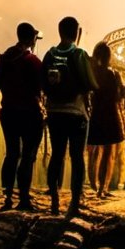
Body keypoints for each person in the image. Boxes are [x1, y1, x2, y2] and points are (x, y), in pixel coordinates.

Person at [41, 17, 96, 217]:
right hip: (76, 113)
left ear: (59, 31)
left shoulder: (50, 54)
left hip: (55, 113)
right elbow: (91, 83)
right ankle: (74, 201)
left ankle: (54, 199)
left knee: (57, 155)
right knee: (77, 157)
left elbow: (43, 84)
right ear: (77, 32)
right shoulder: (80, 54)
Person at [0, 22, 44, 212]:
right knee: (28, 155)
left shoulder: (4, 58)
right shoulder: (32, 60)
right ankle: (23, 197)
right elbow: (42, 86)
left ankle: (7, 197)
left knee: (12, 153)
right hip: (30, 112)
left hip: (8, 112)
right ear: (31, 39)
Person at [87, 42, 125, 198]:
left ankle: (93, 184)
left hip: (96, 114)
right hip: (110, 114)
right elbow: (117, 96)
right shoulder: (112, 74)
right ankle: (102, 187)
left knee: (94, 152)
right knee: (108, 152)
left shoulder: (92, 72)